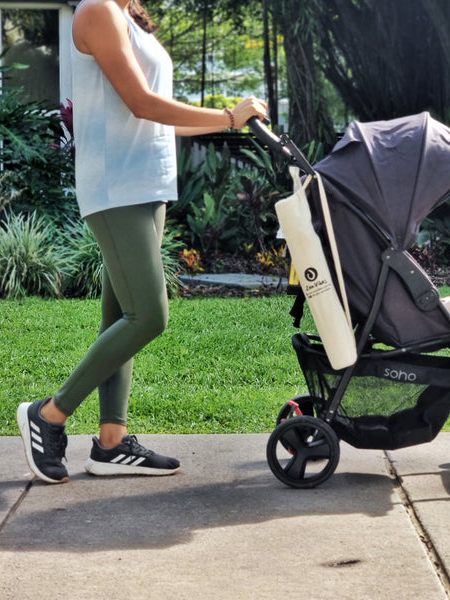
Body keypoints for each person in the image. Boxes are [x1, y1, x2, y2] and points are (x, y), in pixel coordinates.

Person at [16, 0, 268, 484]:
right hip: (116, 187)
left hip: (148, 184)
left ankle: (110, 445)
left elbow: (156, 114)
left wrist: (219, 122)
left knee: (120, 318)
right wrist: (228, 118)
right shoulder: (96, 11)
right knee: (148, 315)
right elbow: (140, 102)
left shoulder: (128, 14)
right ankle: (49, 414)